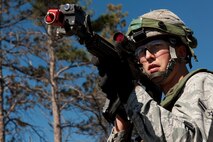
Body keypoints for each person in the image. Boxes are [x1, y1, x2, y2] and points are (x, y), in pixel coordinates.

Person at [107, 9, 213, 141]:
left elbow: (190, 138)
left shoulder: (203, 82)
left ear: (180, 52)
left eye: (156, 46)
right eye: (141, 51)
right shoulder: (160, 111)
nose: (148, 56)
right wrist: (122, 125)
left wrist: (130, 92)